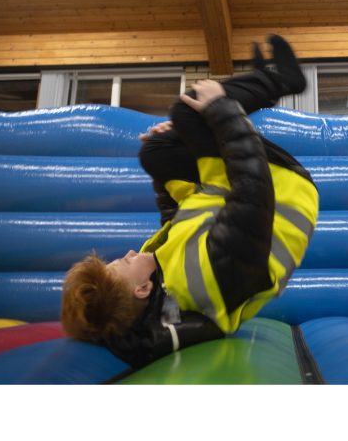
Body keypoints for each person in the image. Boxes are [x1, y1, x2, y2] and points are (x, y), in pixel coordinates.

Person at [61, 35, 319, 368]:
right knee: (188, 110)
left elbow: (180, 219)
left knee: (155, 151)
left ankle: (265, 82)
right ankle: (281, 81)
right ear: (141, 290)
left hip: (232, 196)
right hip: (282, 191)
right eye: (124, 262)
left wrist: (167, 159)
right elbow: (253, 190)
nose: (129, 253)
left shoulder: (164, 284)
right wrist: (222, 111)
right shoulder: (208, 279)